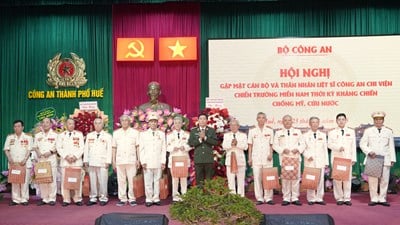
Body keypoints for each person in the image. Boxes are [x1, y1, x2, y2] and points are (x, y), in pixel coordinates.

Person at [360, 111, 396, 207]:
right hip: (373, 158)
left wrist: (392, 159)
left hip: (385, 159)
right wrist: (369, 151)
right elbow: (362, 144)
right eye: (376, 119)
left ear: (383, 120)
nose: (378, 121)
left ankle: (382, 198)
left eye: (380, 119)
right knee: (373, 180)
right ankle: (374, 198)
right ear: (373, 120)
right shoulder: (368, 131)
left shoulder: (388, 131)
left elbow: (391, 146)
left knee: (384, 180)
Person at [273, 115, 305, 206]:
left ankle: (295, 197)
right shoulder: (278, 133)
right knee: (285, 178)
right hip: (284, 158)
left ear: (292, 121)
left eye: (289, 120)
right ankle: (286, 198)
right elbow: (275, 145)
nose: (287, 122)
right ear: (282, 122)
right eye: (285, 120)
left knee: (296, 178)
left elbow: (303, 144)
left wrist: (298, 149)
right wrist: (282, 150)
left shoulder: (298, 132)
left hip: (295, 158)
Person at [328, 113, 357, 206]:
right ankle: (339, 198)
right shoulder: (332, 132)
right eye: (339, 119)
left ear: (346, 120)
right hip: (337, 159)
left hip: (347, 158)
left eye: (342, 119)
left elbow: (353, 146)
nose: (341, 121)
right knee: (337, 179)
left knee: (347, 179)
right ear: (336, 121)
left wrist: (354, 158)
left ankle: (347, 198)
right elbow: (329, 144)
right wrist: (337, 147)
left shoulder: (351, 132)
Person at [139, 112, 166, 207]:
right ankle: (149, 198)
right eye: (151, 122)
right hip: (148, 161)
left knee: (157, 180)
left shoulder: (162, 134)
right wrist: (143, 161)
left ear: (157, 123)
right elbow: (141, 149)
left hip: (158, 161)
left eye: (155, 122)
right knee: (148, 181)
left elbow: (164, 149)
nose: (153, 123)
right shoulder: (143, 134)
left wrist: (163, 161)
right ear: (148, 123)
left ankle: (156, 198)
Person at [3, 120, 33, 206]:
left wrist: (25, 159)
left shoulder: (28, 137)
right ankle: (16, 199)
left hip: (24, 163)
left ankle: (24, 199)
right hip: (13, 164)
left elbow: (29, 150)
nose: (17, 128)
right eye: (15, 126)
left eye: (19, 126)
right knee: (15, 181)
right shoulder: (10, 137)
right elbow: (6, 149)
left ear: (23, 127)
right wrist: (9, 158)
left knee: (24, 182)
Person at [83, 118, 112, 206]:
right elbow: (86, 149)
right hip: (92, 161)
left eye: (99, 123)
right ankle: (93, 197)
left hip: (102, 162)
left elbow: (109, 149)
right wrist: (85, 160)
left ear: (103, 125)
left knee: (103, 180)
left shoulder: (107, 136)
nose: (97, 125)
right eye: (96, 123)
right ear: (93, 125)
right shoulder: (89, 135)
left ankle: (103, 197)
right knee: (93, 181)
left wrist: (108, 161)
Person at [112, 115, 140, 207]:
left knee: (132, 180)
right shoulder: (116, 133)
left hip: (131, 160)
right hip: (120, 160)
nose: (124, 122)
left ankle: (132, 198)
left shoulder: (135, 133)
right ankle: (123, 198)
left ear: (129, 122)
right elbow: (114, 148)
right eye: (122, 120)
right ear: (120, 122)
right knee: (121, 180)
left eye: (126, 120)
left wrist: (138, 159)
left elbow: (138, 147)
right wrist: (113, 161)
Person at [56, 118, 85, 207]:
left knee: (77, 181)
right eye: (69, 123)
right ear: (66, 125)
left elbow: (82, 147)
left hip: (76, 161)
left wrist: (75, 157)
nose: (71, 125)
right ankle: (66, 199)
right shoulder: (61, 135)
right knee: (65, 181)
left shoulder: (79, 134)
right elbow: (59, 148)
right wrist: (66, 157)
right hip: (65, 161)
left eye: (72, 124)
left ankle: (77, 198)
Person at [247, 112, 274, 204]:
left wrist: (270, 154)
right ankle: (259, 198)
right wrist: (249, 158)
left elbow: (271, 145)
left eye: (263, 118)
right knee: (257, 178)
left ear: (266, 120)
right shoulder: (252, 131)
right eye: (259, 117)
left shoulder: (270, 131)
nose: (261, 119)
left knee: (268, 178)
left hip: (267, 158)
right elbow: (250, 146)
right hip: (256, 158)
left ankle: (268, 198)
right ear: (257, 119)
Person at [303, 116, 329, 205]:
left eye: (316, 122)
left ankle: (319, 198)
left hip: (320, 161)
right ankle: (311, 198)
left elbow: (325, 149)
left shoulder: (323, 135)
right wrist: (307, 156)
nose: (314, 124)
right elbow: (302, 148)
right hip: (309, 161)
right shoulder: (305, 135)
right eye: (312, 122)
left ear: (318, 124)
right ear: (310, 124)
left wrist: (326, 162)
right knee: (310, 180)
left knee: (320, 180)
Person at [33, 117, 59, 206]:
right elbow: (35, 146)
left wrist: (51, 152)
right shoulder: (38, 135)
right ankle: (44, 198)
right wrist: (38, 153)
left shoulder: (55, 135)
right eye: (43, 122)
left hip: (51, 159)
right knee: (43, 179)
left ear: (51, 124)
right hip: (41, 160)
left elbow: (58, 147)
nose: (45, 124)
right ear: (41, 124)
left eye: (47, 122)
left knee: (51, 179)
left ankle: (52, 198)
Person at [188, 113, 218, 187]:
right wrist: (200, 139)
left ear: (207, 120)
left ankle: (208, 197)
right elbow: (191, 143)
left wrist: (205, 138)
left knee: (209, 180)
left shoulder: (211, 130)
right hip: (198, 159)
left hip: (208, 159)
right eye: (200, 119)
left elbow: (215, 142)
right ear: (198, 120)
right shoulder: (194, 131)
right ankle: (200, 197)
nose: (202, 121)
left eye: (204, 119)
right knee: (199, 180)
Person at [166, 116, 191, 202]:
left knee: (184, 178)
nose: (177, 124)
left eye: (179, 123)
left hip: (183, 158)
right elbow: (166, 146)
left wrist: (185, 147)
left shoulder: (187, 134)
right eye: (176, 123)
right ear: (173, 124)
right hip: (174, 158)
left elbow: (190, 145)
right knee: (175, 178)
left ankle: (184, 195)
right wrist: (173, 148)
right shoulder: (169, 135)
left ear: (182, 124)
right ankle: (175, 196)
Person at [222, 119, 248, 197]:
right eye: (231, 125)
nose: (233, 127)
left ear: (238, 126)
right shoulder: (226, 135)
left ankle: (241, 197)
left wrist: (237, 144)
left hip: (240, 160)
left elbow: (245, 147)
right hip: (230, 161)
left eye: (235, 125)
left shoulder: (243, 135)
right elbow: (224, 146)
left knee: (240, 180)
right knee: (231, 180)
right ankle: (232, 197)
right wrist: (231, 144)